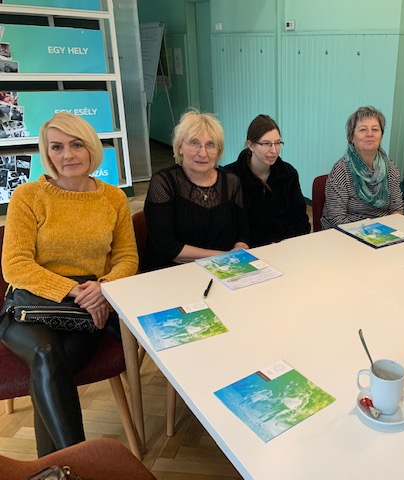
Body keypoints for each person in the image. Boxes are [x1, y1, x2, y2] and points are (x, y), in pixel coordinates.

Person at [0, 112, 138, 456]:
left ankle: (58, 469)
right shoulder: (28, 195)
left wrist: (104, 286)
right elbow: (15, 265)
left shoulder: (113, 198)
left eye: (76, 144)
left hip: (88, 310)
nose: (67, 155)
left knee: (48, 373)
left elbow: (127, 258)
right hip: (29, 308)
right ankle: (78, 462)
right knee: (47, 356)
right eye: (57, 147)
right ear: (47, 153)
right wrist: (75, 290)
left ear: (91, 147)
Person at [142, 110, 250, 271]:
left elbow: (243, 231)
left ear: (218, 151)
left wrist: (241, 246)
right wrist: (224, 257)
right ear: (180, 147)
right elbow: (166, 247)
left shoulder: (231, 181)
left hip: (227, 268)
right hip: (173, 271)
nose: (203, 153)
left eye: (210, 145)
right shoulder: (163, 182)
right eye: (194, 143)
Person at [225, 114, 310, 246]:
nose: (274, 150)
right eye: (266, 144)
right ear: (251, 145)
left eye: (277, 143)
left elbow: (300, 220)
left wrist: (285, 244)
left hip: (285, 246)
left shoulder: (289, 173)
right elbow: (232, 228)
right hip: (250, 249)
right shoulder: (230, 177)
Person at [320, 106, 404, 229]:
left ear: (381, 136)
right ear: (351, 137)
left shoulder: (390, 168)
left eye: (375, 129)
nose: (370, 134)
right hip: (345, 232)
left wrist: (384, 233)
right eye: (363, 129)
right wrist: (370, 233)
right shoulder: (341, 170)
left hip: (383, 231)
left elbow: (397, 210)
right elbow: (337, 219)